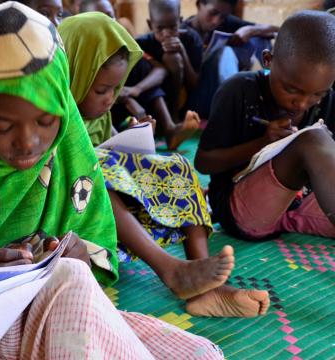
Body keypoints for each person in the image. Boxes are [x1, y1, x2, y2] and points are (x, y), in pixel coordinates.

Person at [0, 2, 224, 359]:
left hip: (58, 314)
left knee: (200, 353)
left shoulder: (68, 152)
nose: (29, 143)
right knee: (69, 280)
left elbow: (97, 255)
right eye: (3, 125)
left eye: (47, 121)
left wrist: (81, 256)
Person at [59, 12, 270, 318]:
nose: (109, 100)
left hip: (116, 209)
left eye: (115, 90)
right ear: (72, 74)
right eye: (102, 91)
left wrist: (135, 135)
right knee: (95, 168)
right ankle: (171, 270)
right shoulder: (55, 119)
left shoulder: (100, 114)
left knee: (177, 166)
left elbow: (113, 146)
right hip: (77, 217)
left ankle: (205, 285)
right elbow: (78, 169)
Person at [195, 11, 335, 244]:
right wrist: (262, 143)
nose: (301, 103)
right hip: (242, 209)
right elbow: (203, 162)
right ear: (268, 60)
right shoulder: (239, 91)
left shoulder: (329, 98)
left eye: (317, 94)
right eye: (291, 89)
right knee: (312, 140)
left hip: (298, 207)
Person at [78, 0, 199, 149]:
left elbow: (159, 70)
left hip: (120, 104)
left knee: (141, 67)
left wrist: (135, 90)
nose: (108, 24)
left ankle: (169, 127)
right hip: (104, 109)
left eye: (111, 17)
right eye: (99, 20)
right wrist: (128, 99)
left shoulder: (121, 47)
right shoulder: (81, 58)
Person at [137, 0, 203, 123]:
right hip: (154, 101)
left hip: (184, 103)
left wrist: (182, 51)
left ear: (181, 21)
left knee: (172, 57)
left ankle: (174, 115)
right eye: (160, 28)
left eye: (173, 27)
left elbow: (194, 83)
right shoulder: (142, 44)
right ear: (150, 25)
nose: (166, 33)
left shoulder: (191, 39)